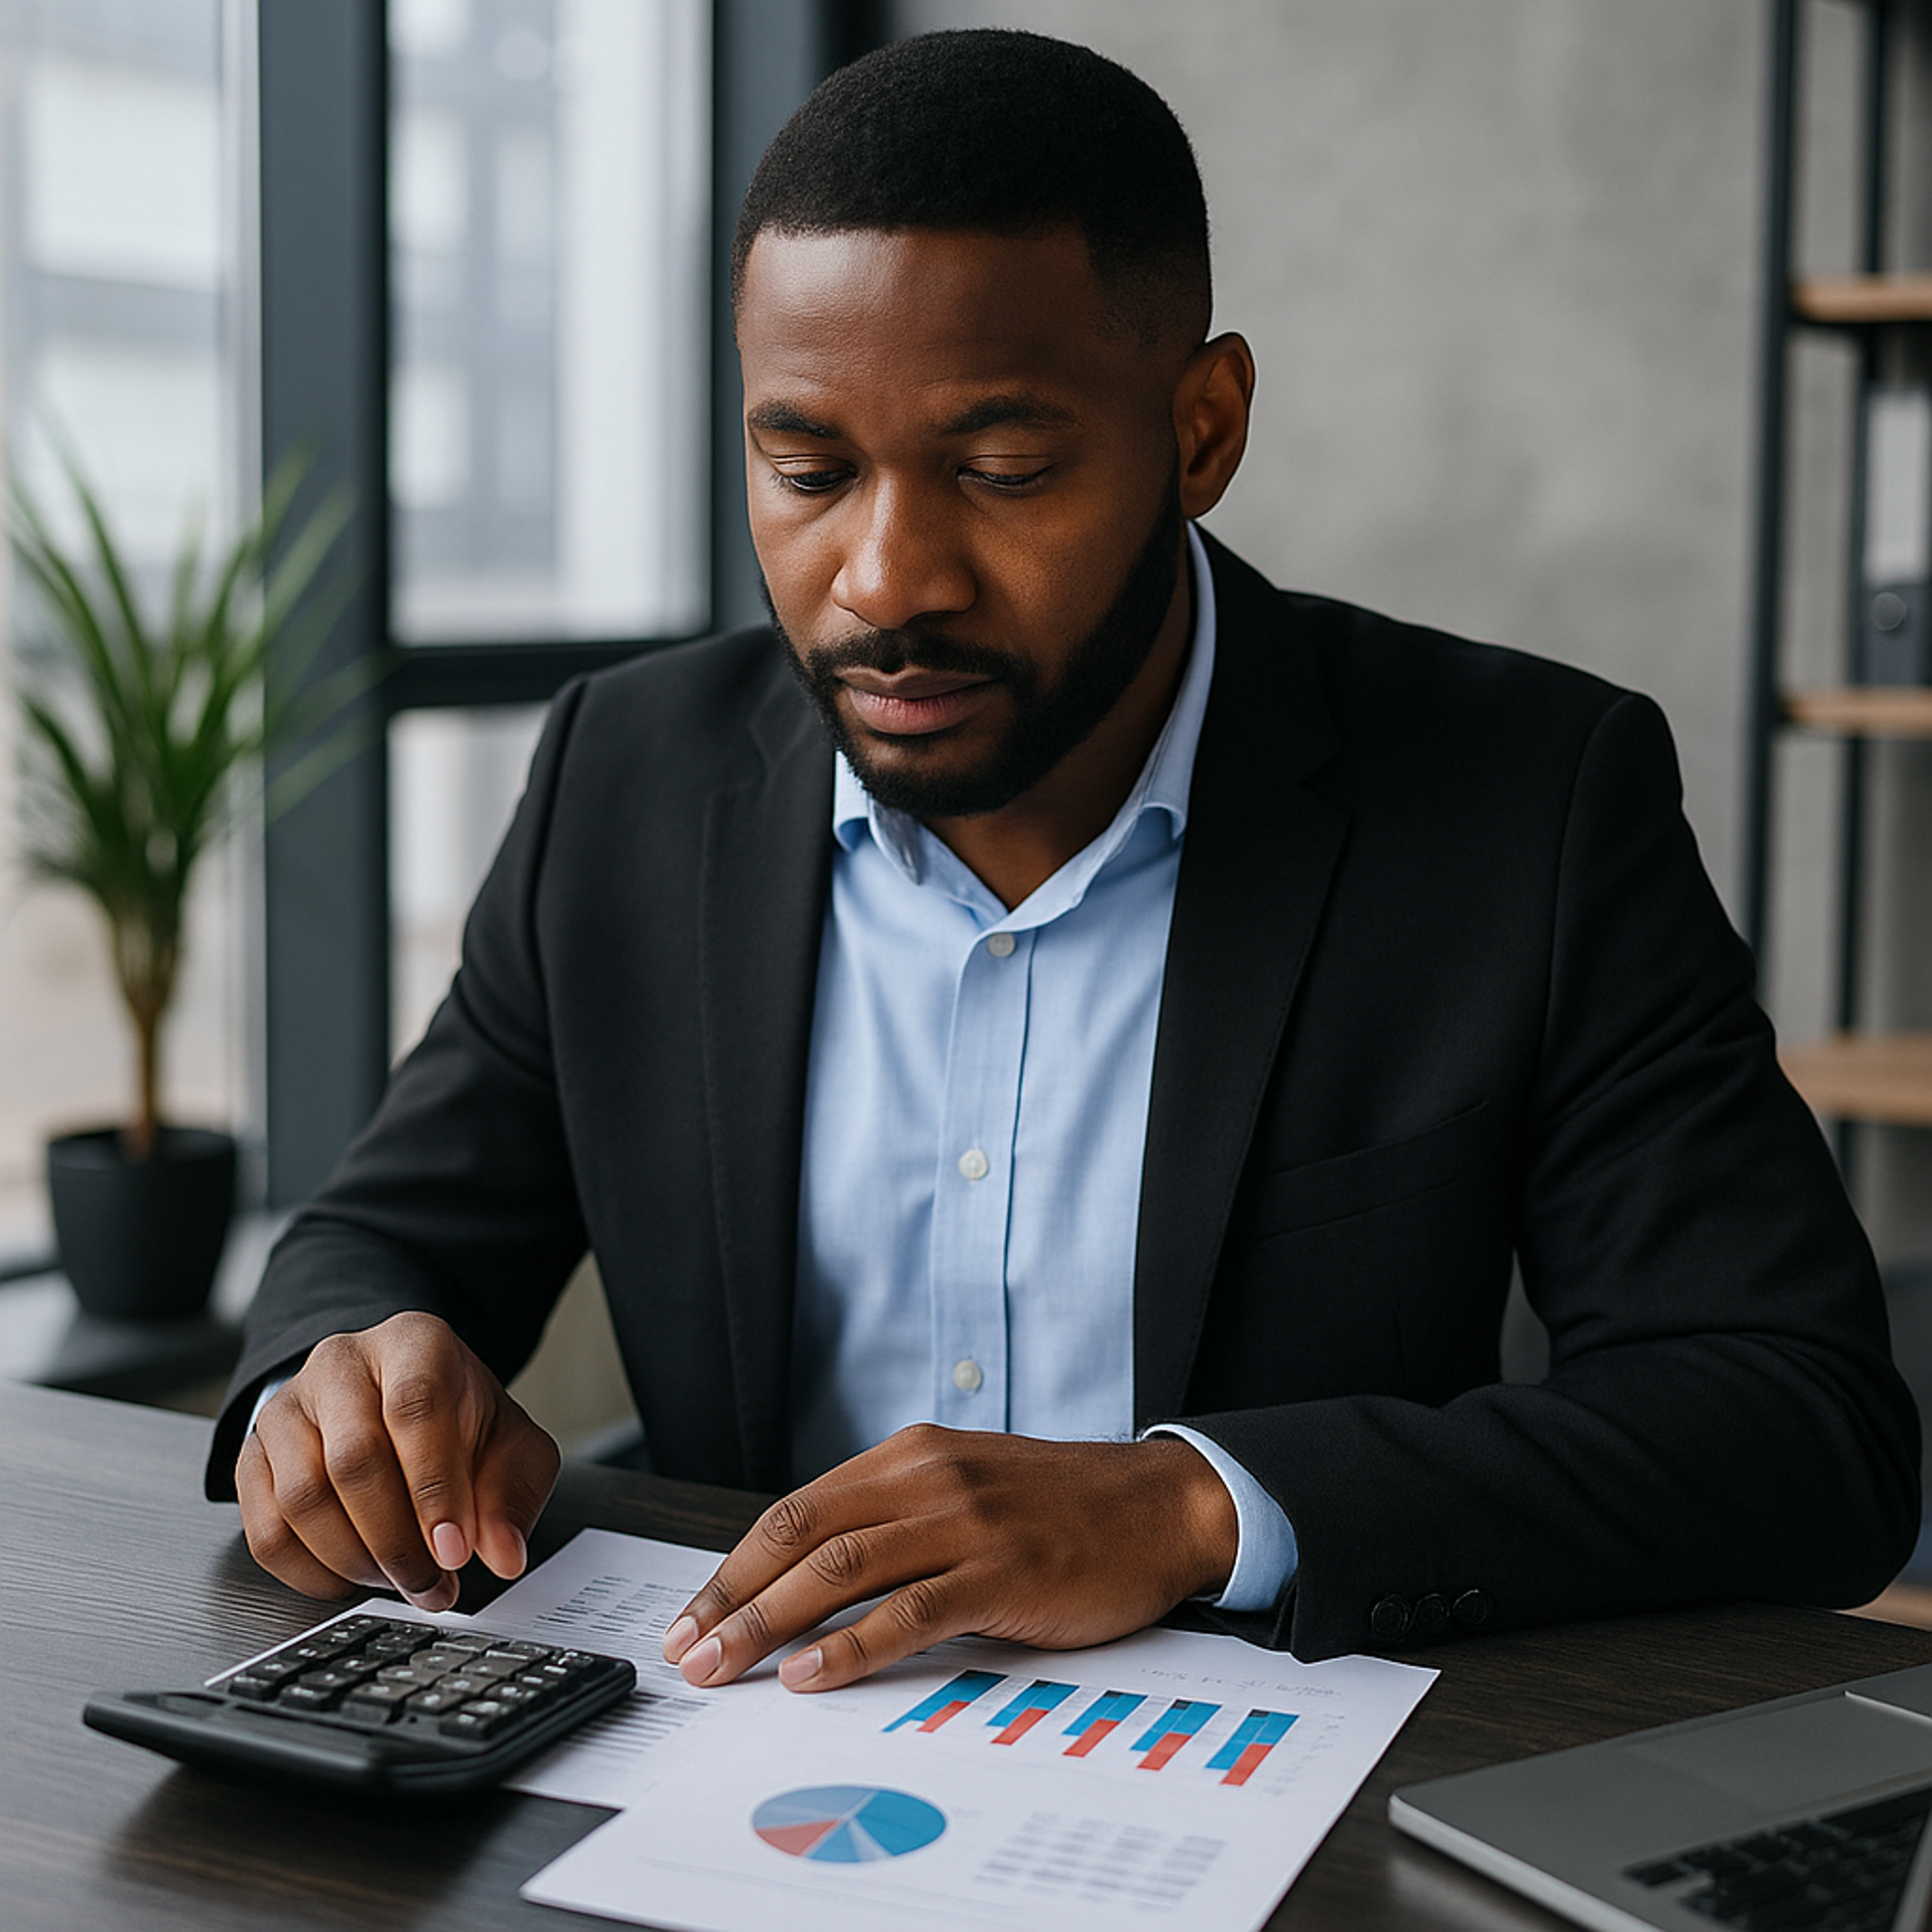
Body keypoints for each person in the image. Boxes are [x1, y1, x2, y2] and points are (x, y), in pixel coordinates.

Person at [209, 29, 1919, 1686]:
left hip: (1286, 1811)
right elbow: (378, 1243)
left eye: (1001, 468)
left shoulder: (1522, 800)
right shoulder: (629, 776)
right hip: (737, 1765)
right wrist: (343, 1378)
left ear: (1201, 430)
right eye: (805, 467)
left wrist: (1187, 1504)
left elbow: (1799, 1428)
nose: (884, 578)